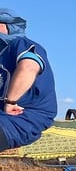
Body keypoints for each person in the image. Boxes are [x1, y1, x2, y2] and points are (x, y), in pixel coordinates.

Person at [0, 8, 58, 152]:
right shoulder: (3, 55)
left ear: (7, 26)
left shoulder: (22, 45)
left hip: (24, 117)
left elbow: (28, 67)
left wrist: (11, 101)